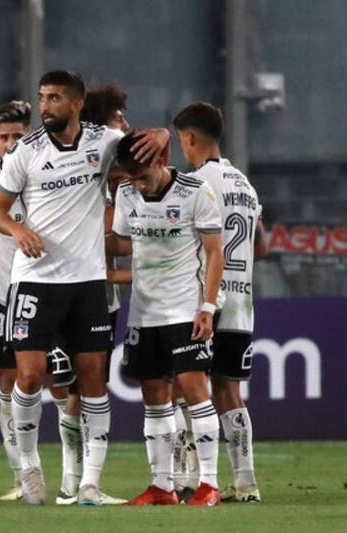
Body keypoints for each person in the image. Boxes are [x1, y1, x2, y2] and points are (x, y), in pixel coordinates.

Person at [0, 70, 168, 505]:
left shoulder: (102, 141)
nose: (45, 105)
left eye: (54, 98)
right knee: (29, 376)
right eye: (42, 97)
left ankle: (89, 484)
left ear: (77, 102)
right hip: (36, 281)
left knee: (93, 384)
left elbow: (146, 146)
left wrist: (162, 133)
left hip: (87, 283)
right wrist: (17, 231)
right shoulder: (25, 153)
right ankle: (30, 467)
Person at [0, 101, 77, 502]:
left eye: (18, 136)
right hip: (5, 295)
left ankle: (72, 476)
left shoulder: (49, 170)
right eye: (4, 137)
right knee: (9, 382)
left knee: (60, 381)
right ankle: (23, 475)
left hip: (51, 291)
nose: (11, 144)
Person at [110, 131, 225, 506]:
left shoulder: (195, 193)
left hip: (185, 309)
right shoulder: (126, 194)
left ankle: (209, 483)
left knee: (194, 392)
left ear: (161, 161)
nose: (139, 186)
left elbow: (214, 252)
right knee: (154, 399)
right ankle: (163, 485)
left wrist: (207, 308)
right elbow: (126, 243)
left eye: (143, 176)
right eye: (132, 179)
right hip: (144, 312)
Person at [174, 101, 267, 503]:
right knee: (230, 391)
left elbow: (188, 242)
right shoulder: (245, 183)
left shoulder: (196, 184)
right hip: (242, 302)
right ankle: (246, 482)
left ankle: (190, 478)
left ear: (190, 138)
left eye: (181, 141)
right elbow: (260, 245)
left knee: (186, 389)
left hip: (204, 302)